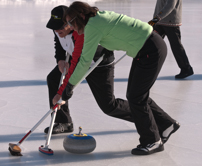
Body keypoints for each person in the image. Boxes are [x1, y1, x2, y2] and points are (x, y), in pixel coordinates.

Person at [61, 1, 180, 155]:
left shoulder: (92, 26)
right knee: (136, 95)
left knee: (136, 97)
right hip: (145, 49)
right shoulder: (98, 17)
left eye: (71, 22)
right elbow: (115, 31)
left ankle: (152, 140)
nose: (70, 26)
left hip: (150, 50)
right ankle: (167, 124)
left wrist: (70, 85)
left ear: (81, 16)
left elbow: (84, 61)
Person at [45, 5, 132, 134]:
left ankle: (144, 116)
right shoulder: (58, 28)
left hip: (97, 64)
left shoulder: (81, 33)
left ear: (71, 22)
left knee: (108, 105)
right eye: (54, 27)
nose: (57, 30)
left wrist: (61, 93)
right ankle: (63, 121)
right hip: (76, 58)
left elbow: (77, 65)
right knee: (53, 79)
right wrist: (60, 59)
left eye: (61, 27)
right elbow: (58, 42)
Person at [148, 0, 193, 79]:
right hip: (160, 22)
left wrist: (156, 19)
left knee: (176, 46)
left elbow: (170, 6)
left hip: (170, 22)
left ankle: (186, 69)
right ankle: (148, 68)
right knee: (152, 44)